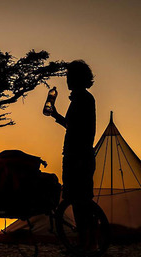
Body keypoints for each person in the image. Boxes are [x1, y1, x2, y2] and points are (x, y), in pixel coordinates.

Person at [50, 60, 96, 243]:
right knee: (76, 198)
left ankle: (89, 241)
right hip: (76, 154)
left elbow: (81, 130)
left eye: (69, 76)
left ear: (77, 78)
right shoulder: (80, 98)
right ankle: (86, 241)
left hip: (78, 155)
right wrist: (56, 115)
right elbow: (72, 126)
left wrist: (79, 157)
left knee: (80, 199)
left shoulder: (83, 99)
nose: (67, 80)